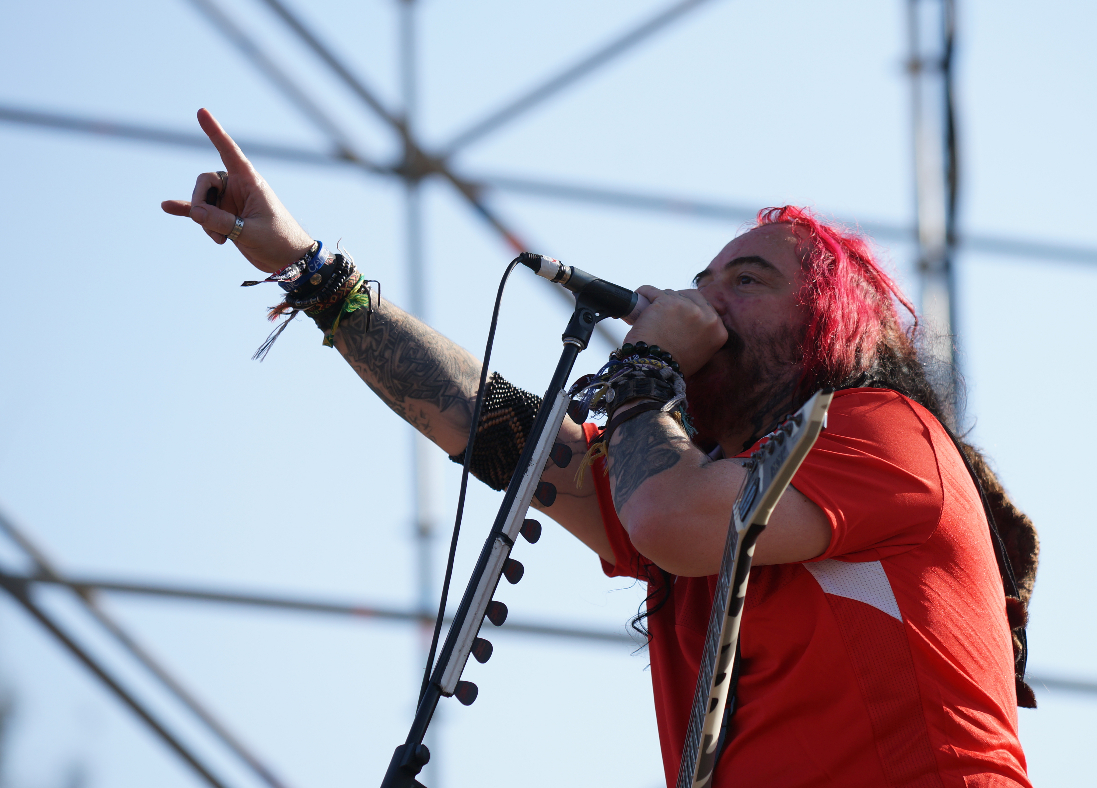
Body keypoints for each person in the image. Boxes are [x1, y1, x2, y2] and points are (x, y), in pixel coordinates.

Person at [163, 108, 1039, 787]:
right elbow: (496, 430)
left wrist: (647, 366)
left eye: (747, 280)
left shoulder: (882, 428)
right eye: (701, 282)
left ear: (835, 330)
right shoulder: (693, 477)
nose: (706, 300)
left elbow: (669, 517)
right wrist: (314, 272)